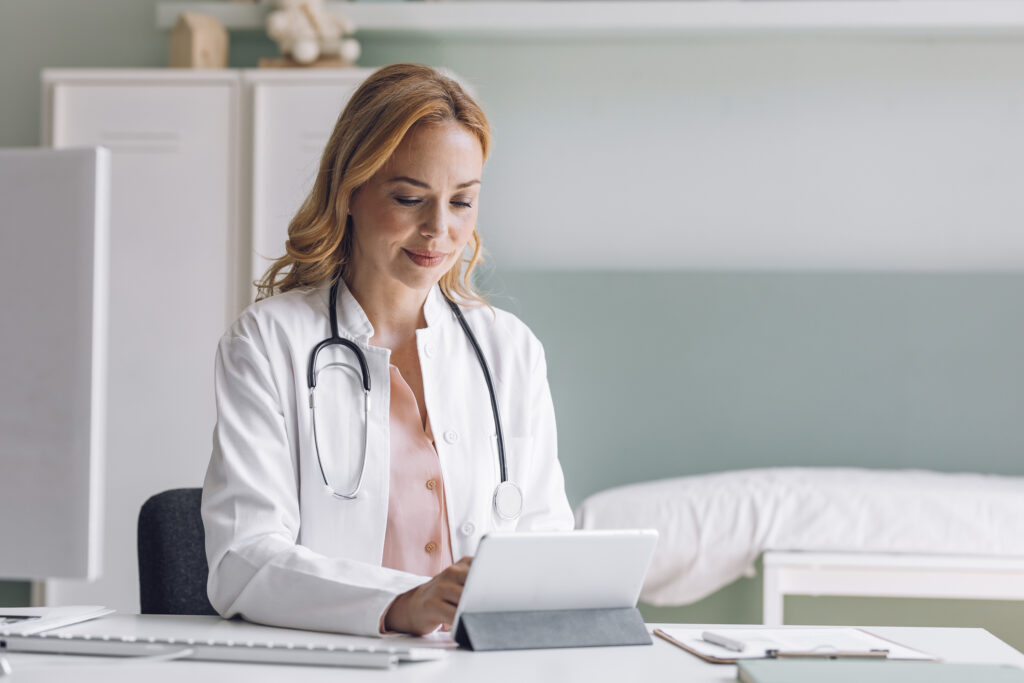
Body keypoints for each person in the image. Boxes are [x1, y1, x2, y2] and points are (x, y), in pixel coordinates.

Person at [201, 63, 574, 637]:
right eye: (409, 198)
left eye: (462, 202)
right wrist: (402, 603)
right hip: (332, 662)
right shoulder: (269, 342)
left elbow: (548, 543)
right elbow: (242, 562)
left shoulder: (510, 349)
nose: (439, 230)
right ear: (349, 191)